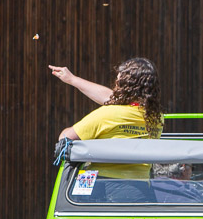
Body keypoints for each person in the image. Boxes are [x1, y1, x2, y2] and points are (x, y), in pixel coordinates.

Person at [51, 58, 162, 202]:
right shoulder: (156, 118)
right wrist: (72, 79)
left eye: (118, 80)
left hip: (102, 188)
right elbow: (114, 101)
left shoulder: (107, 114)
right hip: (141, 190)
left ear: (124, 84)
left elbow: (65, 138)